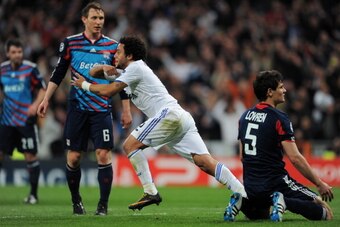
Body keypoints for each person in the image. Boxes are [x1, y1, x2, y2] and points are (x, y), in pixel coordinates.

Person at [71, 35, 247, 211]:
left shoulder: (135, 67)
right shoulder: (126, 73)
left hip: (168, 115)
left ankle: (150, 191)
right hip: (180, 117)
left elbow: (108, 91)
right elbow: (94, 72)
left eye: (118, 52)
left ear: (130, 56)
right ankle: (243, 193)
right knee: (205, 162)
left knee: (130, 145)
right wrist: (105, 67)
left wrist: (84, 85)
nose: (114, 55)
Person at [37, 2, 132, 215]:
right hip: (77, 108)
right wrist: (45, 100)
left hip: (101, 109)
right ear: (84, 19)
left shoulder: (112, 46)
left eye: (101, 19)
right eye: (94, 18)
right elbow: (58, 73)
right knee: (74, 158)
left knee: (103, 155)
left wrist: (126, 110)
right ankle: (76, 201)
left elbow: (121, 80)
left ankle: (103, 206)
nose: (98, 22)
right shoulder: (71, 43)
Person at [224, 70, 334, 222]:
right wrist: (319, 183)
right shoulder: (279, 118)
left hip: (250, 185)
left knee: (262, 215)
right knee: (326, 213)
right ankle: (285, 201)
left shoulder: (244, 116)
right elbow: (295, 158)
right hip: (275, 182)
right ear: (270, 92)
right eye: (281, 87)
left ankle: (243, 201)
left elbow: (242, 156)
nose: (285, 90)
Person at [0, 39, 46, 204]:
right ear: (8, 53)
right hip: (6, 120)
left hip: (25, 121)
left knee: (30, 156)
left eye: (19, 52)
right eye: (14, 52)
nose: (17, 55)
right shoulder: (2, 70)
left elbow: (43, 88)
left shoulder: (30, 69)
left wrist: (35, 105)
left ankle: (33, 195)